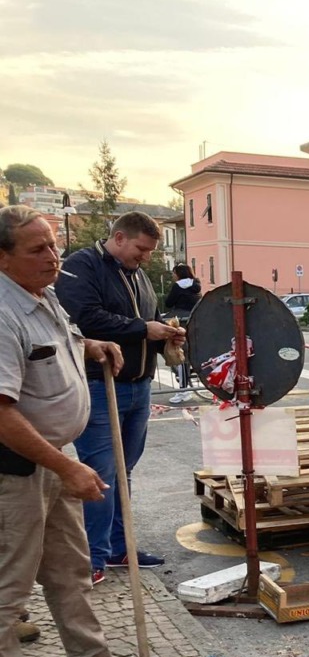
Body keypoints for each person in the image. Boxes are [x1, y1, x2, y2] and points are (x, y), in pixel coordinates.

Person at [0, 206, 142, 657]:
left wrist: (92, 346)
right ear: (2, 257)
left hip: (52, 458)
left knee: (69, 568)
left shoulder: (43, 295)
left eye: (53, 245)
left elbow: (60, 343)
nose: (53, 257)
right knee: (10, 580)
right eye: (37, 249)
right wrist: (66, 468)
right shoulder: (2, 310)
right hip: (14, 467)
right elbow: (2, 413)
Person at [55, 212, 185, 584]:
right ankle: (90, 559)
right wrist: (144, 329)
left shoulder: (138, 275)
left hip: (138, 385)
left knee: (122, 473)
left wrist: (166, 336)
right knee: (98, 474)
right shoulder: (83, 266)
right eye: (141, 249)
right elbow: (85, 320)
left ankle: (116, 547)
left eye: (149, 252)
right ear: (120, 237)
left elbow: (150, 318)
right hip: (100, 384)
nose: (145, 257)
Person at [161, 263, 202, 404]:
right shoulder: (197, 285)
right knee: (191, 354)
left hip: (180, 321)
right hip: (194, 321)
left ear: (178, 274)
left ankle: (183, 391)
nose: (173, 276)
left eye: (174, 273)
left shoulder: (178, 286)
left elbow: (168, 302)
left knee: (180, 357)